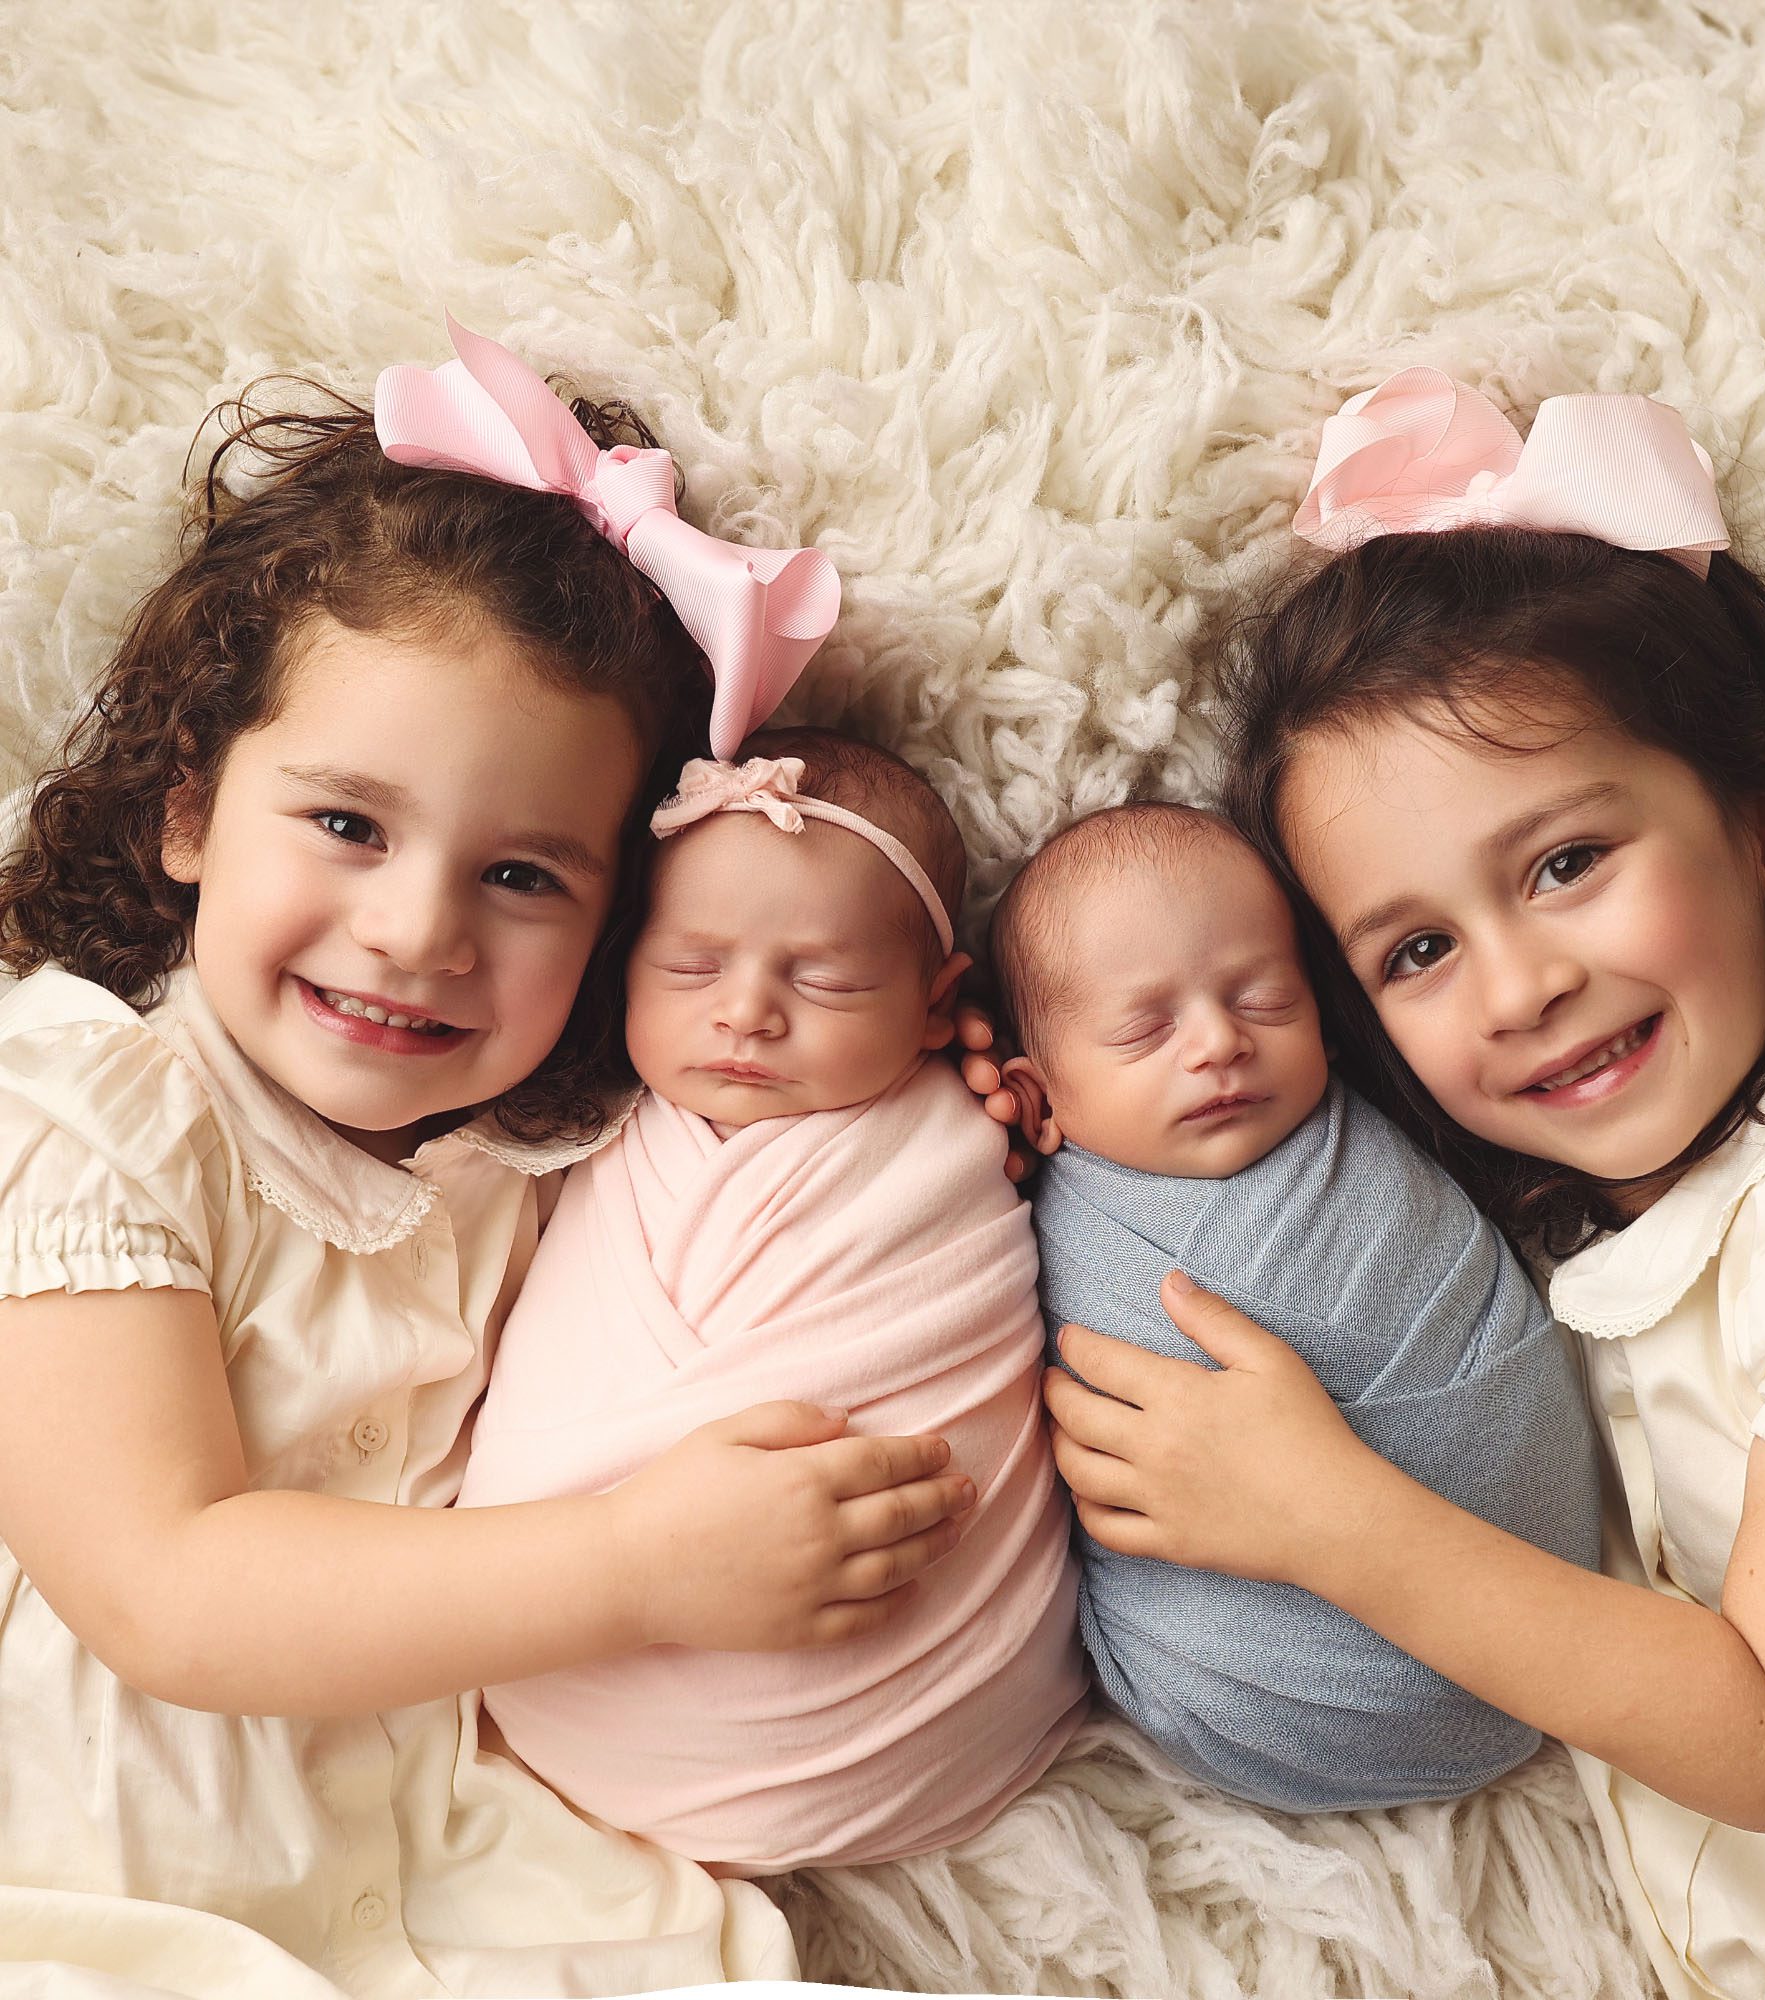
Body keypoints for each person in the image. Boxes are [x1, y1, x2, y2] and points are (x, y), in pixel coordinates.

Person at [0, 320, 975, 1998]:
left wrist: (959, 1093)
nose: (417, 932)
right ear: (186, 816)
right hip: (100, 1883)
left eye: (524, 877)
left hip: (465, 1870)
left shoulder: (546, 1151)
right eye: (348, 824)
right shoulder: (92, 1113)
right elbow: (166, 1582)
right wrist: (642, 1570)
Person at [1040, 368, 1765, 2000]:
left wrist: (1325, 1517)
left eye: (1566, 864)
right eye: (1417, 951)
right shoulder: (1615, 1232)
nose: (1516, 987)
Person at [460, 729, 1086, 1874]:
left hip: (917, 1719)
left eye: (827, 978)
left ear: (937, 1000)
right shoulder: (584, 1125)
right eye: (691, 967)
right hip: (581, 1653)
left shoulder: (961, 1133)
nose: (745, 1012)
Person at [984, 799, 1597, 1811]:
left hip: (1545, 1631)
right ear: (1038, 1100)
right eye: (1145, 1027)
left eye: (1264, 999)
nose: (1219, 1042)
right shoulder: (1026, 1216)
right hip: (1238, 1692)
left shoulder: (1380, 1133)